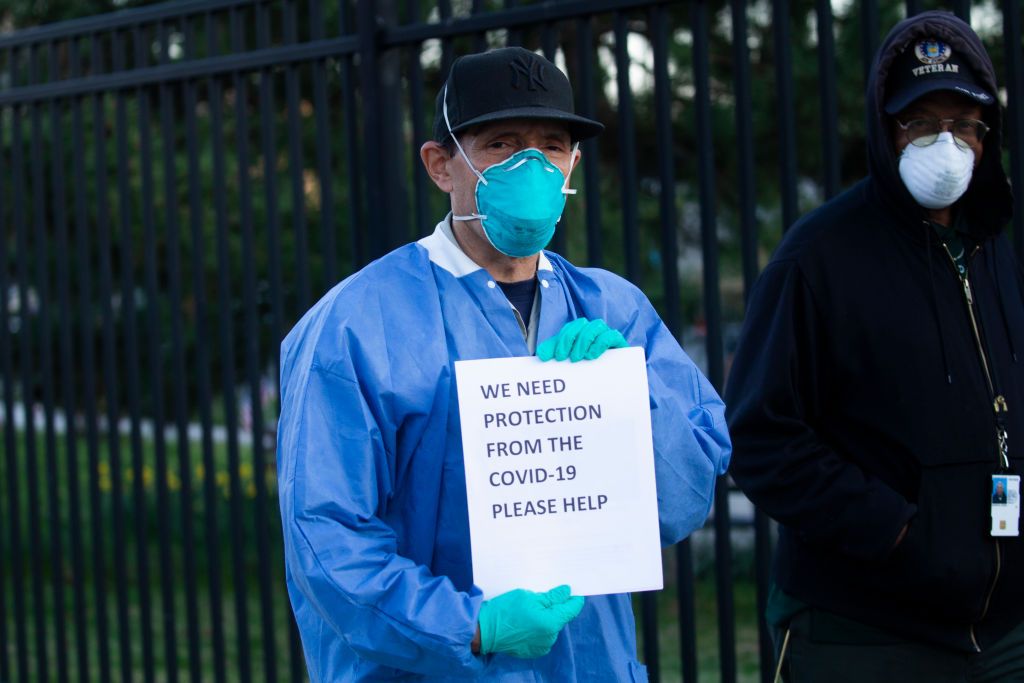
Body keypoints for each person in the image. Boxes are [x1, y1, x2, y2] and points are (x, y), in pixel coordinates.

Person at [276, 46, 731, 681]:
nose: (532, 166)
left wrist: (635, 392)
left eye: (551, 144)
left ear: (573, 163)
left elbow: (680, 504)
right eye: (501, 143)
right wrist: (469, 626)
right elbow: (327, 541)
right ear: (442, 166)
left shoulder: (614, 308)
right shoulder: (355, 325)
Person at [725, 11, 1024, 682]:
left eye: (963, 124)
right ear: (887, 131)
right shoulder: (819, 256)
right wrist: (895, 530)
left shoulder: (992, 245)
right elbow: (758, 436)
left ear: (987, 134)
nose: (945, 144)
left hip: (1004, 629)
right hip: (864, 631)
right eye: (920, 123)